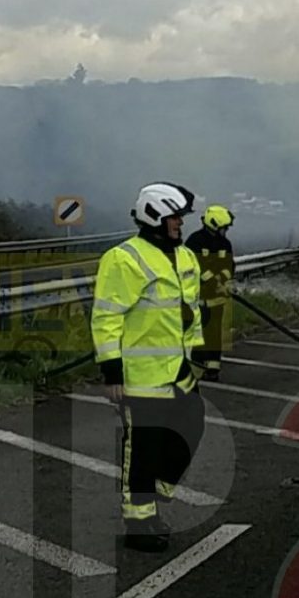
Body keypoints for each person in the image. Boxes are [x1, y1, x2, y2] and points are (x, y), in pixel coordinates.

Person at [90, 182, 206, 553]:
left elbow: (192, 312)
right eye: (175, 217)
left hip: (179, 372)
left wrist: (199, 354)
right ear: (154, 215)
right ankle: (139, 523)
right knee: (141, 449)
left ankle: (155, 492)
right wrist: (112, 373)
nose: (180, 225)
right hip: (141, 378)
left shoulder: (186, 256)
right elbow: (106, 319)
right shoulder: (123, 259)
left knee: (191, 426)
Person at [185, 204, 236, 381]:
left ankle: (213, 369)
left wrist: (223, 280)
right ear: (214, 224)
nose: (226, 231)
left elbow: (230, 266)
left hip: (217, 299)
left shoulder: (225, 244)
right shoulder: (194, 241)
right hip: (198, 299)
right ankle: (196, 368)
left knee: (214, 334)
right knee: (197, 335)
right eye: (224, 227)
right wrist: (213, 281)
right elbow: (194, 266)